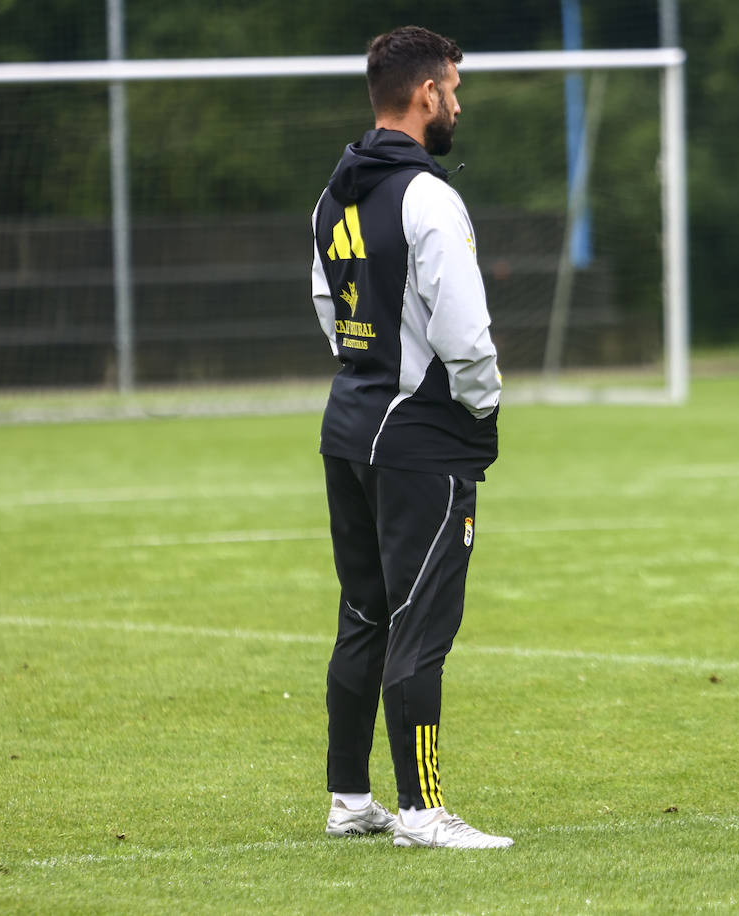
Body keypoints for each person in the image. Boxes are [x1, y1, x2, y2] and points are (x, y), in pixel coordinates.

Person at [309, 25, 509, 849]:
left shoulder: (333, 194)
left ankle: (350, 800)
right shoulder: (428, 196)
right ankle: (423, 813)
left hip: (349, 425)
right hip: (419, 438)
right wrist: (483, 410)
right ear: (425, 93)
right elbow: (466, 337)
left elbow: (327, 308)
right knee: (420, 623)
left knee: (365, 615)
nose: (457, 103)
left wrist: (369, 371)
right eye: (453, 89)